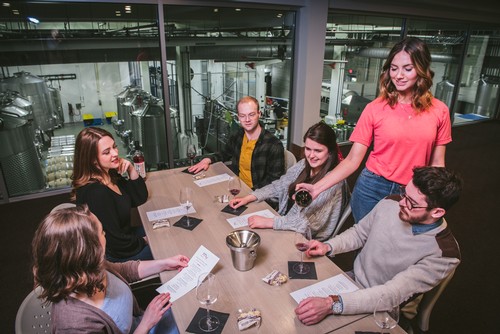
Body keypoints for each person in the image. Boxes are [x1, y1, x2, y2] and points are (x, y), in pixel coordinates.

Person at [297, 37, 452, 223]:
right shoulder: (375, 108)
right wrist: (317, 188)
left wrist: (433, 200)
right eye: (394, 68)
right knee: (365, 244)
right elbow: (352, 160)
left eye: (407, 69)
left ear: (422, 70)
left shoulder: (439, 111)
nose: (399, 75)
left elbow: (437, 164)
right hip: (373, 187)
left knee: (397, 247)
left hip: (413, 191)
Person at [294, 166, 462, 326]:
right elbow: (360, 233)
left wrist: (331, 304)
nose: (402, 203)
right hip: (353, 280)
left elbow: (390, 295)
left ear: (437, 212)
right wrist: (328, 246)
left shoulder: (444, 253)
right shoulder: (390, 203)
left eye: (411, 202)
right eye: (404, 192)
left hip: (387, 309)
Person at [32, 204, 190, 334]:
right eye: (102, 232)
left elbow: (124, 270)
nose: (105, 234)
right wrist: (146, 324)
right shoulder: (75, 326)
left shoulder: (88, 267)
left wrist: (164, 263)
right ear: (89, 250)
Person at [229, 122, 348, 241]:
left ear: (330, 152)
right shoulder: (303, 165)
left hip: (304, 239)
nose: (311, 155)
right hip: (283, 224)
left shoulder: (333, 182)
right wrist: (250, 197)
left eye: (318, 151)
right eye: (308, 149)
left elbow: (310, 224)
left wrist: (270, 222)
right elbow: (279, 186)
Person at [71, 127, 152, 262]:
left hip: (127, 237)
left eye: (114, 147)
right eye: (107, 152)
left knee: (167, 228)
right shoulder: (96, 193)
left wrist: (131, 168)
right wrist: (145, 240)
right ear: (92, 160)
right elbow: (116, 243)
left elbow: (139, 198)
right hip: (118, 254)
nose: (115, 153)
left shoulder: (109, 173)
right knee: (168, 245)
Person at [189, 96, 285, 190]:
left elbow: (274, 182)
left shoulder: (273, 145)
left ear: (259, 114)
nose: (247, 120)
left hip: (257, 195)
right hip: (238, 187)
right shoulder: (238, 135)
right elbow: (224, 153)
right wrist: (207, 160)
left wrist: (249, 195)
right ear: (238, 117)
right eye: (242, 116)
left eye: (251, 114)